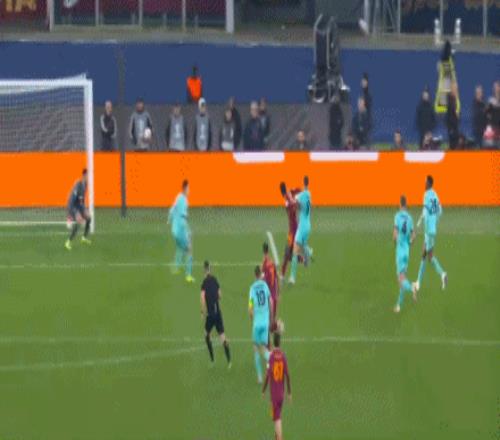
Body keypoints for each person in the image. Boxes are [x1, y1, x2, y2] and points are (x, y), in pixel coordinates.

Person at [414, 175, 448, 293]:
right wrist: (435, 220)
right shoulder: (435, 194)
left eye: (425, 182)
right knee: (424, 254)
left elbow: (424, 212)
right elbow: (440, 211)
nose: (424, 184)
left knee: (429, 256)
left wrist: (419, 223)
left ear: (429, 183)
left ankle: (442, 274)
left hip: (428, 230)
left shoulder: (426, 195)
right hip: (432, 229)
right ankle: (418, 282)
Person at [200, 261, 231, 368]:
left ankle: (212, 360)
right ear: (210, 269)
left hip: (210, 315)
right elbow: (220, 295)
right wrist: (214, 298)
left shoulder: (204, 283)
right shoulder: (215, 280)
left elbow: (202, 299)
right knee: (222, 337)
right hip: (218, 313)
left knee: (206, 334)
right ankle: (229, 361)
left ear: (204, 270)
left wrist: (202, 312)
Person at [262, 332, 292, 440]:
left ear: (273, 342)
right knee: (277, 416)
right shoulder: (283, 356)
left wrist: (263, 390)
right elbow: (287, 375)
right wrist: (289, 393)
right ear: (280, 342)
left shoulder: (271, 357)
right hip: (281, 394)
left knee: (277, 419)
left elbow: (267, 375)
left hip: (274, 395)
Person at [248, 265, 273, 384]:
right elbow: (271, 302)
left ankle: (260, 377)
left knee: (256, 349)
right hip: (265, 322)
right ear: (260, 274)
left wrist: (252, 319)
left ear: (254, 275)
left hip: (257, 323)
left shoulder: (252, 288)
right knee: (263, 347)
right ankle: (271, 362)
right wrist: (271, 318)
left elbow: (250, 307)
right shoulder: (265, 285)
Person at [393, 195, 416, 314]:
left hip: (400, 250)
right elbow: (413, 236)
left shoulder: (397, 216)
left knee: (400, 279)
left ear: (400, 204)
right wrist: (410, 242)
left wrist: (396, 240)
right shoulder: (410, 218)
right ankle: (398, 305)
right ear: (406, 204)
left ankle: (412, 287)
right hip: (407, 251)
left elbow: (395, 233)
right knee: (403, 277)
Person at [168, 179, 194, 283]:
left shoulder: (178, 196)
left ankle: (175, 267)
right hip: (180, 230)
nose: (189, 190)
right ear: (185, 188)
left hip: (174, 230)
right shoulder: (184, 200)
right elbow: (183, 218)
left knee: (180, 247)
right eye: (188, 188)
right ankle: (188, 275)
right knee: (189, 249)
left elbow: (172, 210)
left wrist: (169, 220)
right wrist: (188, 232)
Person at [289, 176, 312, 285]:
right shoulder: (309, 194)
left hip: (302, 226)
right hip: (308, 225)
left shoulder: (301, 195)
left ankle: (292, 277)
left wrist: (292, 198)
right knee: (303, 245)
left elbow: (295, 205)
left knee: (295, 251)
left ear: (303, 182)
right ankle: (308, 256)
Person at [65, 169, 92, 250]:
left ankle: (84, 238)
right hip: (72, 205)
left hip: (79, 205)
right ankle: (68, 242)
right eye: (87, 175)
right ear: (84, 175)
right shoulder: (78, 185)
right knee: (79, 220)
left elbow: (81, 199)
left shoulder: (85, 184)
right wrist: (71, 213)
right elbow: (72, 200)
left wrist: (84, 209)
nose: (89, 177)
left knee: (88, 217)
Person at [279, 182, 301, 279]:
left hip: (293, 231)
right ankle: (303, 258)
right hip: (293, 229)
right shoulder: (290, 194)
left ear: (281, 192)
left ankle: (282, 275)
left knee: (287, 254)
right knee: (290, 254)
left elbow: (292, 208)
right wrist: (296, 198)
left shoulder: (287, 202)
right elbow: (298, 189)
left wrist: (295, 203)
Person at [262, 242, 279, 330]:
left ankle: (271, 325)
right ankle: (272, 325)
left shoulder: (253, 289)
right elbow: (276, 277)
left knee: (269, 310)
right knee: (273, 311)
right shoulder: (271, 263)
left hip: (269, 291)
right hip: (273, 290)